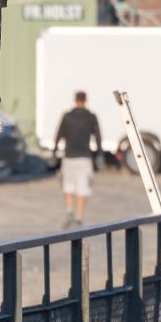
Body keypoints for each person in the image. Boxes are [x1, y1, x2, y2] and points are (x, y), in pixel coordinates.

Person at [52, 91, 101, 227]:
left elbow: (58, 135)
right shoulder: (91, 117)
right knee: (83, 188)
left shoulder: (67, 116)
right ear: (86, 100)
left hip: (69, 157)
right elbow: (98, 137)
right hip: (84, 157)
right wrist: (99, 155)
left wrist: (54, 152)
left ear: (75, 100)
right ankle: (79, 217)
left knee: (68, 187)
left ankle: (69, 211)